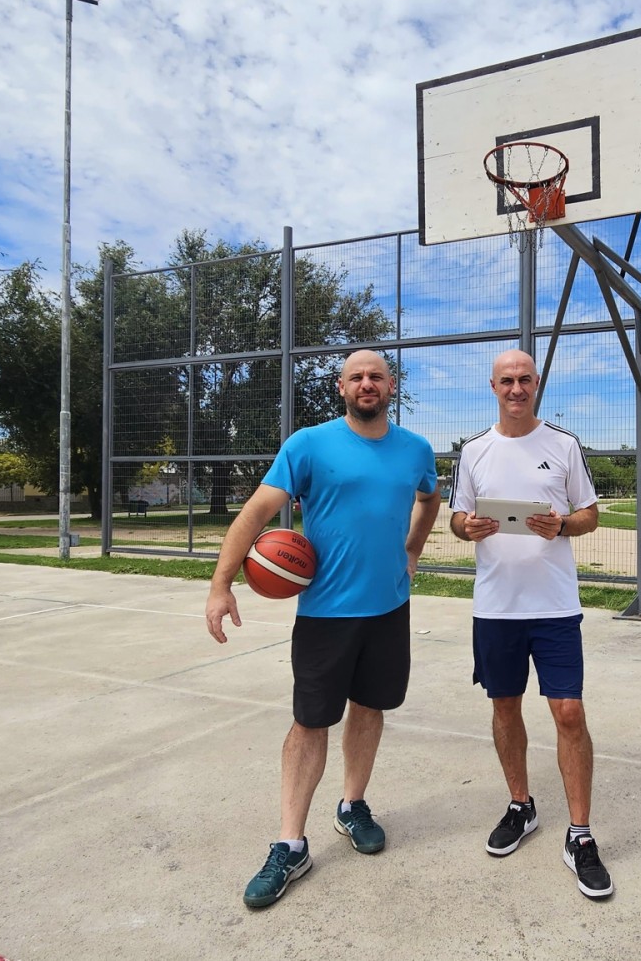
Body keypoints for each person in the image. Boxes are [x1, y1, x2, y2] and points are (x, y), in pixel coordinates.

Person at [205, 350, 440, 909]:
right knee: (310, 723)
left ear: (391, 386)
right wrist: (221, 584)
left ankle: (352, 806)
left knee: (370, 708)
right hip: (325, 615)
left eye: (376, 376)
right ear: (341, 387)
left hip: (389, 609)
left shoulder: (416, 449)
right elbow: (255, 514)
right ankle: (290, 844)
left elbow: (429, 499)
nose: (367, 383)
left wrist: (412, 549)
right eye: (356, 376)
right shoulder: (308, 444)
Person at [449, 349, 612, 900]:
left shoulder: (563, 445)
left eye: (524, 380)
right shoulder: (474, 450)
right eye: (507, 381)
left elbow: (590, 514)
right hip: (496, 608)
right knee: (504, 708)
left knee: (569, 712)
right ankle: (521, 806)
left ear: (536, 383)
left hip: (555, 607)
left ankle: (580, 834)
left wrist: (562, 525)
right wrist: (467, 527)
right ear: (492, 386)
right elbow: (457, 517)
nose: (516, 389)